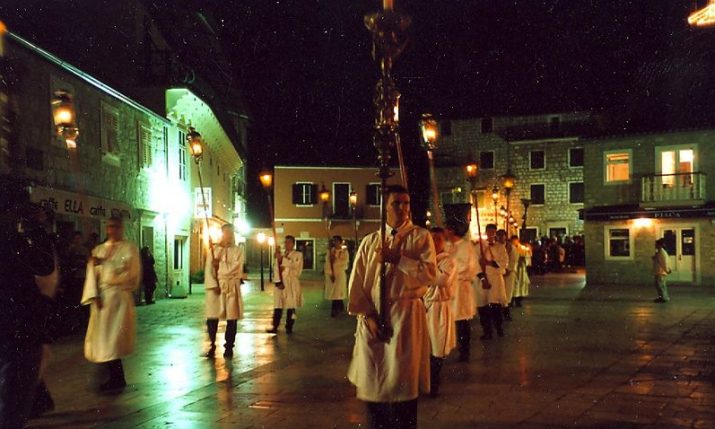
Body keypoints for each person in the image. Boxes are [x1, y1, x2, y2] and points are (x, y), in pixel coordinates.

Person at [347, 185, 436, 429]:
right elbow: (357, 284)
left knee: (402, 386)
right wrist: (368, 316)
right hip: (373, 318)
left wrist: (398, 259)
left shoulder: (420, 237)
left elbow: (429, 274)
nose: (402, 208)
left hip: (405, 317)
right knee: (374, 385)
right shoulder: (370, 241)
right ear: (385, 206)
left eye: (406, 203)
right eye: (396, 203)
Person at [0, 183, 57, 429]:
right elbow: (44, 267)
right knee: (13, 402)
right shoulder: (14, 239)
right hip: (18, 330)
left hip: (15, 329)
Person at [81, 216, 140, 392]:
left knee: (114, 339)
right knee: (104, 338)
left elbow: (133, 275)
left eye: (116, 226)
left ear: (121, 228)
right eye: (110, 227)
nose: (113, 230)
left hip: (120, 299)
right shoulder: (99, 250)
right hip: (103, 299)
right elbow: (92, 275)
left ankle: (115, 377)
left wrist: (110, 268)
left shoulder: (129, 249)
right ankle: (114, 376)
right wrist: (94, 295)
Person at [204, 224, 245, 358]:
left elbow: (235, 268)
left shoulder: (238, 250)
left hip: (231, 286)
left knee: (231, 318)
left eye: (231, 233)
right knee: (212, 317)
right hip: (216, 288)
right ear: (222, 234)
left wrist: (219, 265)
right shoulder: (213, 250)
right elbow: (208, 269)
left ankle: (229, 346)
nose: (229, 235)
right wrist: (214, 284)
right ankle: (212, 344)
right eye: (226, 233)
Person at [425, 227, 457, 397]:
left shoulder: (448, 261)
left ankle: (434, 384)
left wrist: (424, 270)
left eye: (438, 238)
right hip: (424, 308)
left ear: (444, 241)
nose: (435, 242)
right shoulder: (425, 259)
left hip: (438, 307)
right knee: (424, 347)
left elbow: (441, 280)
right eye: (431, 238)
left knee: (436, 348)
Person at [445, 220, 477, 363]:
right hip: (447, 287)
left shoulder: (466, 246)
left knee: (462, 320)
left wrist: (452, 267)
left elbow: (469, 267)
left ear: (452, 231)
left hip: (460, 287)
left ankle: (464, 351)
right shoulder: (446, 246)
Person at [474, 224, 509, 340]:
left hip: (495, 279)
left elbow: (504, 263)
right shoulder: (479, 246)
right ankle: (487, 331)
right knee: (483, 307)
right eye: (489, 231)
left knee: (495, 305)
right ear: (486, 232)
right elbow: (475, 263)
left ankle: (499, 328)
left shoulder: (500, 247)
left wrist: (489, 263)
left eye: (493, 232)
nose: (491, 234)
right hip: (482, 279)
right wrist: (482, 277)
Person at [266, 235, 303, 334]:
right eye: (285, 242)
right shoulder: (280, 255)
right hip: (280, 283)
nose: (287, 244)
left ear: (293, 244)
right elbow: (276, 269)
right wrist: (278, 282)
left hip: (291, 283)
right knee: (278, 305)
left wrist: (283, 262)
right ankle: (275, 326)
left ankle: (289, 326)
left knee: (291, 305)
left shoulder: (298, 255)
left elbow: (296, 267)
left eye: (289, 242)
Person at [324, 235, 349, 317]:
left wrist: (336, 261)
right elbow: (327, 263)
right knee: (333, 293)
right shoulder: (330, 251)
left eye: (337, 241)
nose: (335, 243)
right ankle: (337, 308)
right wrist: (330, 273)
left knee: (338, 292)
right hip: (332, 274)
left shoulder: (344, 252)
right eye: (334, 241)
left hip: (340, 274)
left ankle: (336, 309)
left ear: (340, 242)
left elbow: (345, 263)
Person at [501, 232, 519, 322]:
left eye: (502, 236)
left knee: (507, 294)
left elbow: (514, 259)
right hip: (499, 274)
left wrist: (508, 269)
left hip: (508, 273)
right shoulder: (497, 246)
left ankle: (506, 313)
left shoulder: (511, 248)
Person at [513, 241, 531, 307]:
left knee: (521, 285)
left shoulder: (523, 249)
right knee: (514, 285)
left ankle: (519, 300)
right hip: (515, 270)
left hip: (521, 270)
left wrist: (524, 260)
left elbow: (527, 259)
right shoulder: (511, 249)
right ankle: (512, 300)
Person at [652, 238, 671, 303]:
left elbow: (664, 262)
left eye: (656, 244)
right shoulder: (659, 252)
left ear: (659, 245)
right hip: (658, 271)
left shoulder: (662, 253)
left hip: (661, 272)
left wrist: (667, 270)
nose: (655, 246)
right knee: (658, 285)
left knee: (661, 285)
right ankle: (661, 297)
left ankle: (664, 298)